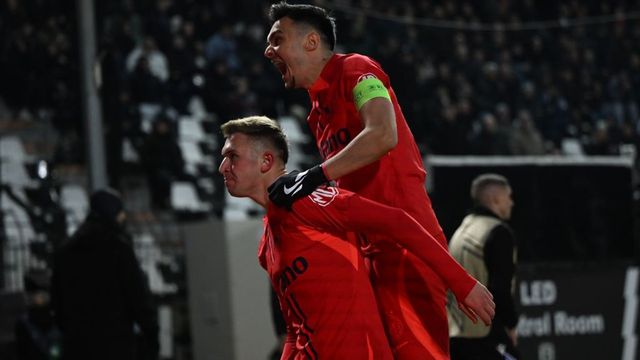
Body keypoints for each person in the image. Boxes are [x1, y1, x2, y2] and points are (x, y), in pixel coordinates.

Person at [264, 2, 462, 358]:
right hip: (371, 254)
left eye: (278, 39)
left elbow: (384, 134)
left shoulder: (357, 69)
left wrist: (315, 175)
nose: (269, 50)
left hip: (406, 249)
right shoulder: (316, 112)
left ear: (311, 42)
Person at [218, 116, 495, 359]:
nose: (222, 167)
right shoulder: (266, 246)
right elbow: (295, 329)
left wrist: (462, 284)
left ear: (266, 161)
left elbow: (397, 221)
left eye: (232, 156)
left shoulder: (308, 200)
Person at [51, 189, 159, 360]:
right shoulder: (118, 248)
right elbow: (138, 298)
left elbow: (57, 305)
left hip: (77, 347)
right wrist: (152, 335)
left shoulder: (65, 251)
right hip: (115, 346)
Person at [447, 174, 520, 360]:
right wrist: (511, 325)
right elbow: (500, 289)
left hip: (455, 335)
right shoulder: (498, 231)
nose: (512, 203)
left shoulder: (462, 230)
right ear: (495, 199)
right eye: (508, 197)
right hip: (484, 334)